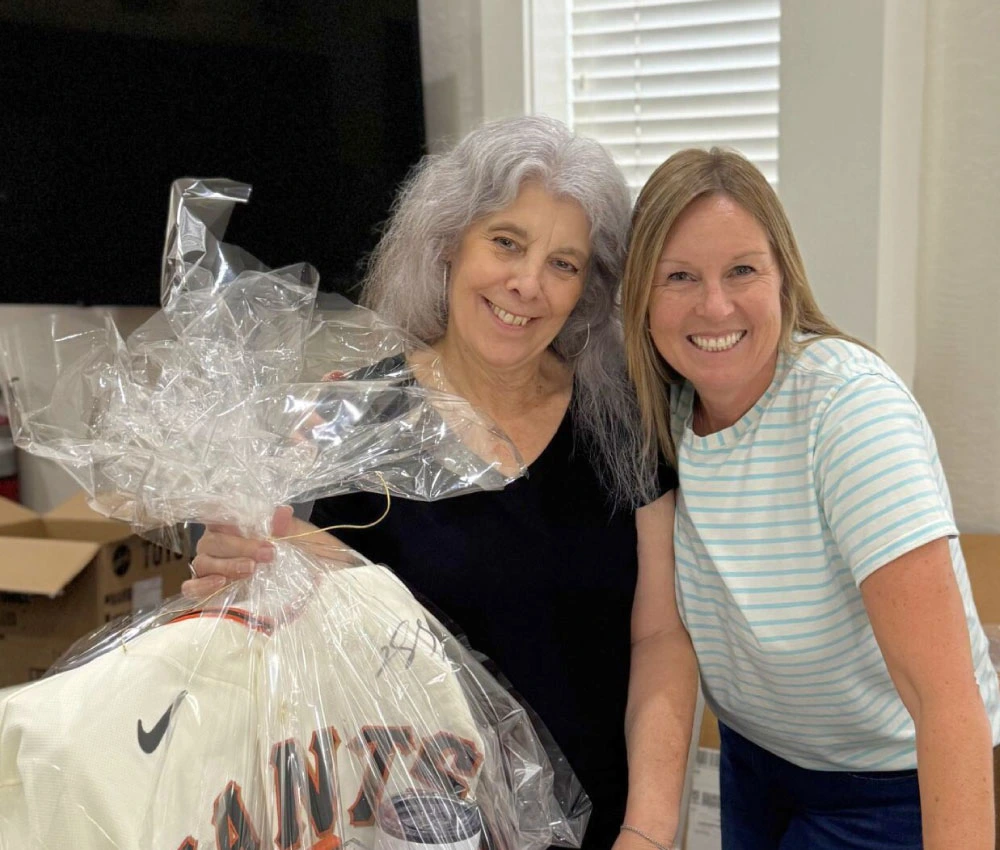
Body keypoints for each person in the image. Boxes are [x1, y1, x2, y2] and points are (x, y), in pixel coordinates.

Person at [185, 116, 697, 850]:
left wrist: (648, 830)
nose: (527, 284)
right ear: (450, 244)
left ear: (589, 287)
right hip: (410, 832)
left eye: (564, 263)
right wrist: (242, 571)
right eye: (507, 243)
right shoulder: (352, 420)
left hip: (608, 830)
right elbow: (304, 637)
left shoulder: (622, 423)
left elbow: (660, 638)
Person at [621, 146, 1000, 848]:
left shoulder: (848, 413)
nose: (714, 305)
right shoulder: (664, 414)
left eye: (742, 270)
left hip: (889, 785)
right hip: (754, 763)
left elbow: (946, 700)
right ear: (641, 297)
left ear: (784, 280)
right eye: (679, 277)